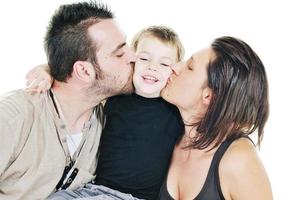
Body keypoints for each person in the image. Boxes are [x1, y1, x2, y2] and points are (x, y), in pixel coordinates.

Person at [25, 26, 185, 199]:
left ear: (174, 71)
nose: (153, 67)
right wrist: (47, 70)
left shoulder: (175, 110)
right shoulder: (114, 95)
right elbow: (79, 76)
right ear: (131, 60)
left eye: (164, 63)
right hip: (93, 189)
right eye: (144, 58)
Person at [0, 2, 135, 200]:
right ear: (83, 71)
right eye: (120, 53)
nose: (134, 56)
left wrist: (48, 68)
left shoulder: (108, 114)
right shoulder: (12, 117)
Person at [159, 36, 273, 199]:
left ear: (209, 96)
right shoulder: (169, 137)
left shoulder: (238, 159)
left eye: (189, 66)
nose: (175, 66)